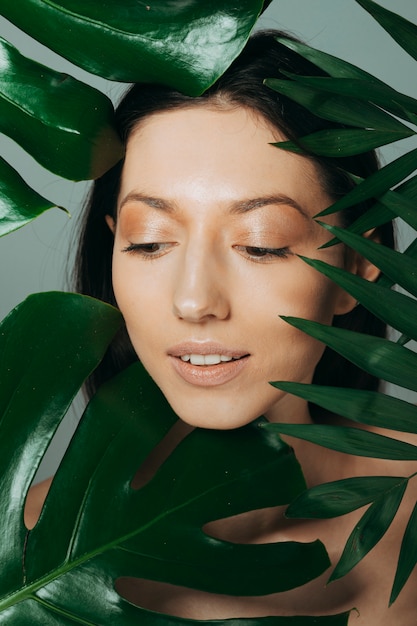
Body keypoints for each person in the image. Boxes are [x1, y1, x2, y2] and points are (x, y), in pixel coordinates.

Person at [25, 30, 417, 623]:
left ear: (357, 266)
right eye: (150, 242)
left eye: (259, 246)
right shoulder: (28, 558)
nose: (194, 300)